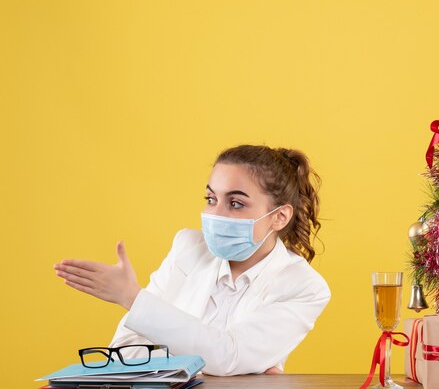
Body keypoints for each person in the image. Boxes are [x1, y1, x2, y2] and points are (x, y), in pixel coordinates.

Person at [53, 145, 331, 376]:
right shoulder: (188, 247)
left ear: (279, 217)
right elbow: (125, 348)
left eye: (235, 204)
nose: (216, 214)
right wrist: (216, 366)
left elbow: (229, 355)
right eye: (211, 199)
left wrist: (132, 298)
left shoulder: (304, 287)